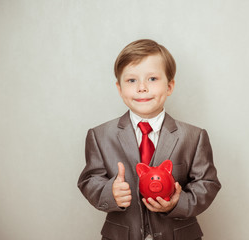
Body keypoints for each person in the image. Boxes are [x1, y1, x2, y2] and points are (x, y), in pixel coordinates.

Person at [78, 39, 221, 240]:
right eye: (131, 80)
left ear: (170, 86)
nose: (142, 87)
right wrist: (110, 192)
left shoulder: (194, 136)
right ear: (119, 89)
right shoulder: (100, 135)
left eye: (152, 79)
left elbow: (207, 183)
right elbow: (89, 180)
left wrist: (178, 203)